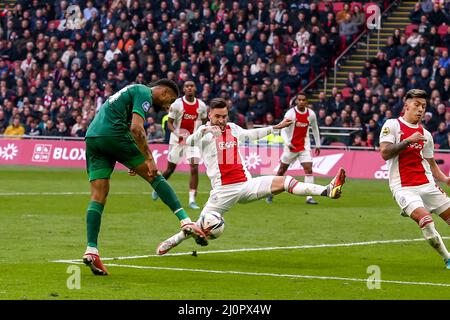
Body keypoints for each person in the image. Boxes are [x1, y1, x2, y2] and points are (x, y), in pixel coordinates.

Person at [156, 98, 346, 255]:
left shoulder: (232, 128)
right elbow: (189, 141)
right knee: (206, 224)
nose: (221, 120)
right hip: (223, 192)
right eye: (217, 116)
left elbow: (250, 134)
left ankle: (327, 190)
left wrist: (276, 127)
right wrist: (204, 130)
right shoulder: (204, 134)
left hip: (247, 185)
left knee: (285, 181)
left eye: (224, 116)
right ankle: (174, 240)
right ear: (210, 115)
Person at [82, 79, 207, 276]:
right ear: (164, 92)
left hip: (93, 137)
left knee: (98, 196)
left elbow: (122, 122)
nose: (167, 107)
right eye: (169, 101)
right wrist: (148, 159)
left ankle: (91, 250)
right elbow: (136, 128)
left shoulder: (128, 91)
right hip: (113, 135)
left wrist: (133, 157)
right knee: (154, 175)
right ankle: (185, 221)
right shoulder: (144, 92)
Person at [379, 89, 450, 270]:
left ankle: (412, 208)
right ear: (406, 105)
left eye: (423, 106)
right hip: (404, 187)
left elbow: (430, 162)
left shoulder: (426, 135)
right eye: (417, 105)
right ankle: (447, 257)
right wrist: (408, 141)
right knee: (426, 221)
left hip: (427, 185)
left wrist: (444, 178)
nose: (420, 109)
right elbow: (385, 153)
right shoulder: (392, 125)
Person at [152, 80, 208, 209]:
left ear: (195, 88)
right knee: (170, 169)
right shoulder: (177, 105)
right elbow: (169, 123)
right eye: (187, 86)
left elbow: (205, 122)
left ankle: (192, 200)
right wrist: (178, 134)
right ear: (184, 89)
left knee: (194, 169)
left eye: (192, 86)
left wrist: (203, 132)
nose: (189, 88)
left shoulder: (202, 106)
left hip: (193, 141)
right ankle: (157, 187)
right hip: (178, 141)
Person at [266, 93, 321, 205]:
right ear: (296, 101)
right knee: (281, 171)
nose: (301, 102)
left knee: (308, 169)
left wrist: (318, 144)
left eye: (303, 100)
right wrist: (287, 143)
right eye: (299, 100)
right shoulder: (290, 114)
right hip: (290, 147)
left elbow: (315, 129)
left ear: (307, 101)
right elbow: (283, 130)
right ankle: (270, 194)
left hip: (304, 147)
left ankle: (309, 197)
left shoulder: (311, 114)